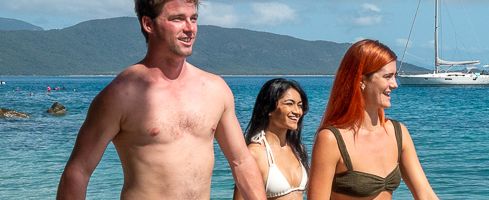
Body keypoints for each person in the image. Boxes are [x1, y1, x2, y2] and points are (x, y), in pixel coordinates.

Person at [56, 0, 265, 199]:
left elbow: (241, 162)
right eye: (178, 19)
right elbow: (78, 171)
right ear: (148, 24)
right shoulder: (122, 94)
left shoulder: (215, 89)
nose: (190, 28)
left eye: (193, 18)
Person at [308, 39, 439, 200]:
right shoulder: (331, 139)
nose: (395, 84)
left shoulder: (398, 133)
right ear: (362, 80)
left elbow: (425, 194)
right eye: (388, 76)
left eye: (394, 76)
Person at [233, 78, 310, 200]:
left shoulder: (297, 149)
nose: (297, 111)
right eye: (289, 103)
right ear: (268, 109)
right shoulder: (255, 154)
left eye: (300, 105)